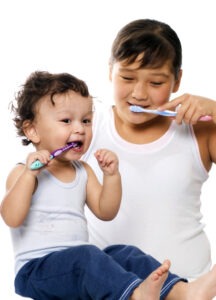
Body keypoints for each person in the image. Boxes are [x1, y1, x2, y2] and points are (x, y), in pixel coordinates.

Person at [1, 71, 216, 300]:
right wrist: (29, 175)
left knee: (124, 253)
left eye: (86, 120)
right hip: (36, 272)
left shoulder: (83, 171)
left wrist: (112, 176)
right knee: (87, 257)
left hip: (75, 266)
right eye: (66, 121)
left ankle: (183, 293)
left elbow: (106, 211)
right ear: (32, 130)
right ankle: (134, 296)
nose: (80, 129)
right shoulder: (22, 173)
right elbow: (11, 217)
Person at [82, 18, 216, 280]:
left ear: (177, 81)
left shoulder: (200, 130)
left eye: (156, 83)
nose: (139, 94)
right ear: (110, 71)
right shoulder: (86, 128)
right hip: (106, 289)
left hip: (190, 288)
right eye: (127, 77)